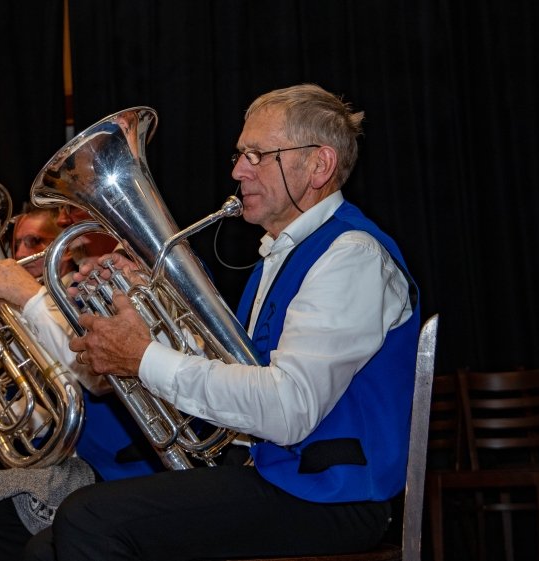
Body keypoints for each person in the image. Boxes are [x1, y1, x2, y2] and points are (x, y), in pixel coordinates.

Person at [30, 83, 421, 560]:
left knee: (87, 519)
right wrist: (140, 313)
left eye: (258, 155)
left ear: (319, 165)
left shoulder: (351, 256)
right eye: (240, 154)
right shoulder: (279, 257)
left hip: (333, 497)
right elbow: (238, 377)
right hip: (280, 479)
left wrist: (143, 356)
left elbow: (289, 408)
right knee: (45, 548)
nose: (238, 171)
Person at [0, 202, 163, 560]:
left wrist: (28, 299)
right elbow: (36, 411)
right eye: (17, 243)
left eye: (34, 241)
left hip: (116, 467)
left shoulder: (133, 277)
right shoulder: (72, 290)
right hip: (65, 458)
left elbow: (97, 378)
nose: (64, 218)